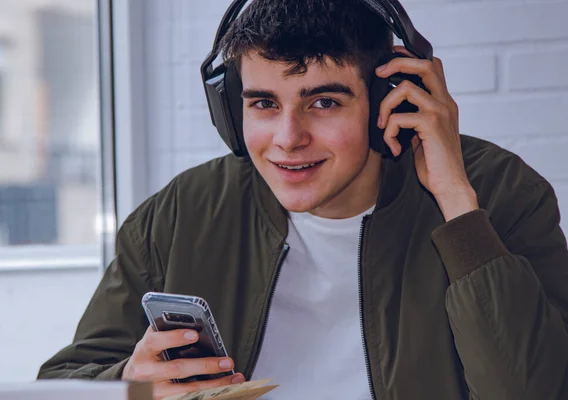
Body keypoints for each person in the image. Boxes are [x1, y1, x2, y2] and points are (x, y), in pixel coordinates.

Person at [38, 0, 568, 399]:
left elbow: (531, 389)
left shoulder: (500, 194)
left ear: (388, 102)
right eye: (264, 103)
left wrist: (457, 201)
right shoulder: (180, 214)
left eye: (323, 102)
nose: (288, 138)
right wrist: (128, 384)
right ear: (229, 112)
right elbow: (62, 382)